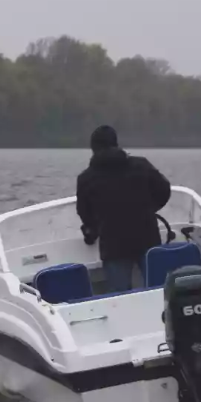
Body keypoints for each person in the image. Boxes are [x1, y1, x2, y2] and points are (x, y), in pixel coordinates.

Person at [76, 125, 172, 292]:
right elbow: (164, 190)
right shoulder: (142, 165)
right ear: (116, 143)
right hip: (147, 238)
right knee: (159, 291)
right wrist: (150, 209)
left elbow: (85, 213)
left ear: (93, 148)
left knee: (119, 297)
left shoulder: (86, 178)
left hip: (113, 247)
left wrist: (93, 228)